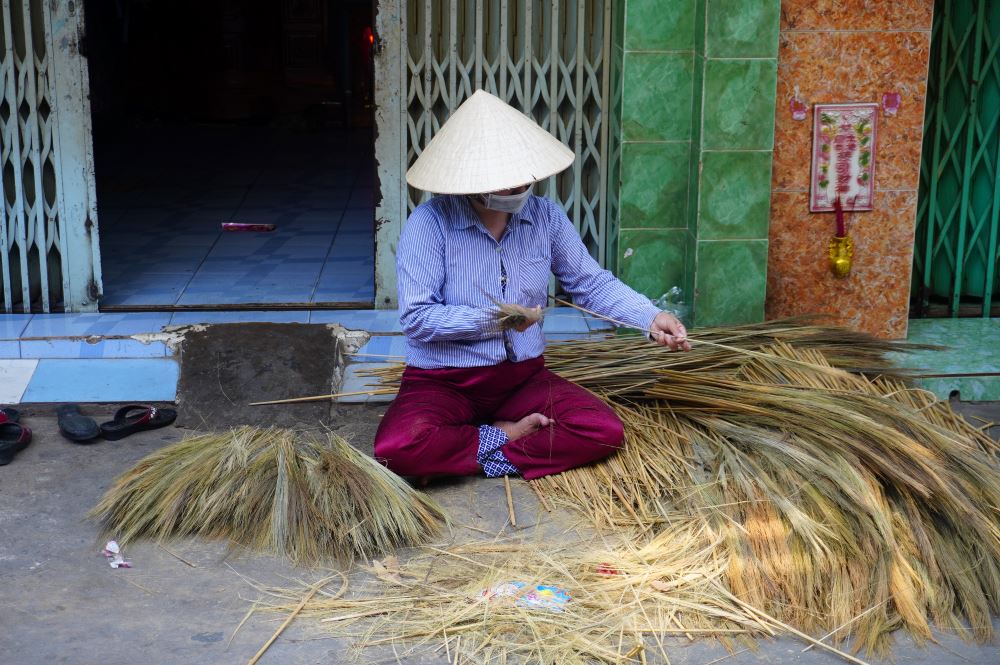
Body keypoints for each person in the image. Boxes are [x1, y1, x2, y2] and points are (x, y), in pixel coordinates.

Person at [373, 90, 690, 481]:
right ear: (471, 181)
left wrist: (650, 316)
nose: (518, 187)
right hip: (443, 381)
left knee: (603, 431)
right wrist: (499, 320)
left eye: (522, 177)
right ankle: (500, 436)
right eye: (504, 182)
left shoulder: (546, 218)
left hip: (521, 378)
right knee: (396, 450)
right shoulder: (429, 223)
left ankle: (480, 454)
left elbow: (590, 283)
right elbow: (419, 318)